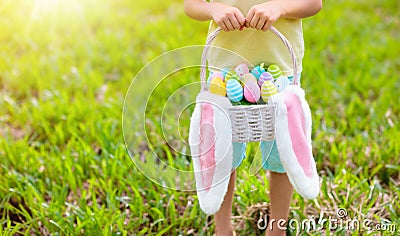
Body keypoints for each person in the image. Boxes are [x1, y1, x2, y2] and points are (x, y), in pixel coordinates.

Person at [184, 0, 322, 235]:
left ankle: (276, 227)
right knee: (223, 155)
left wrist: (280, 7)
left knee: (283, 152)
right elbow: (191, 5)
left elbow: (313, 3)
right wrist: (213, 9)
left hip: (279, 69)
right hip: (225, 73)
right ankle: (223, 228)